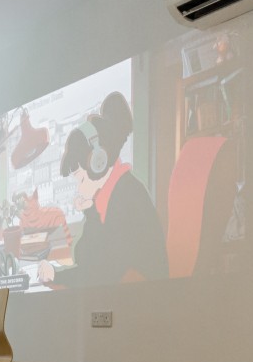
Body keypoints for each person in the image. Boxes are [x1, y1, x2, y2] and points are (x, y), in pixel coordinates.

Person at [38, 92, 167, 287]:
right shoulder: (109, 193)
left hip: (144, 300)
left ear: (98, 163)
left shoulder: (127, 197)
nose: (79, 187)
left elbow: (101, 274)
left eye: (80, 178)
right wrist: (91, 212)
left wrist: (56, 275)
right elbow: (84, 257)